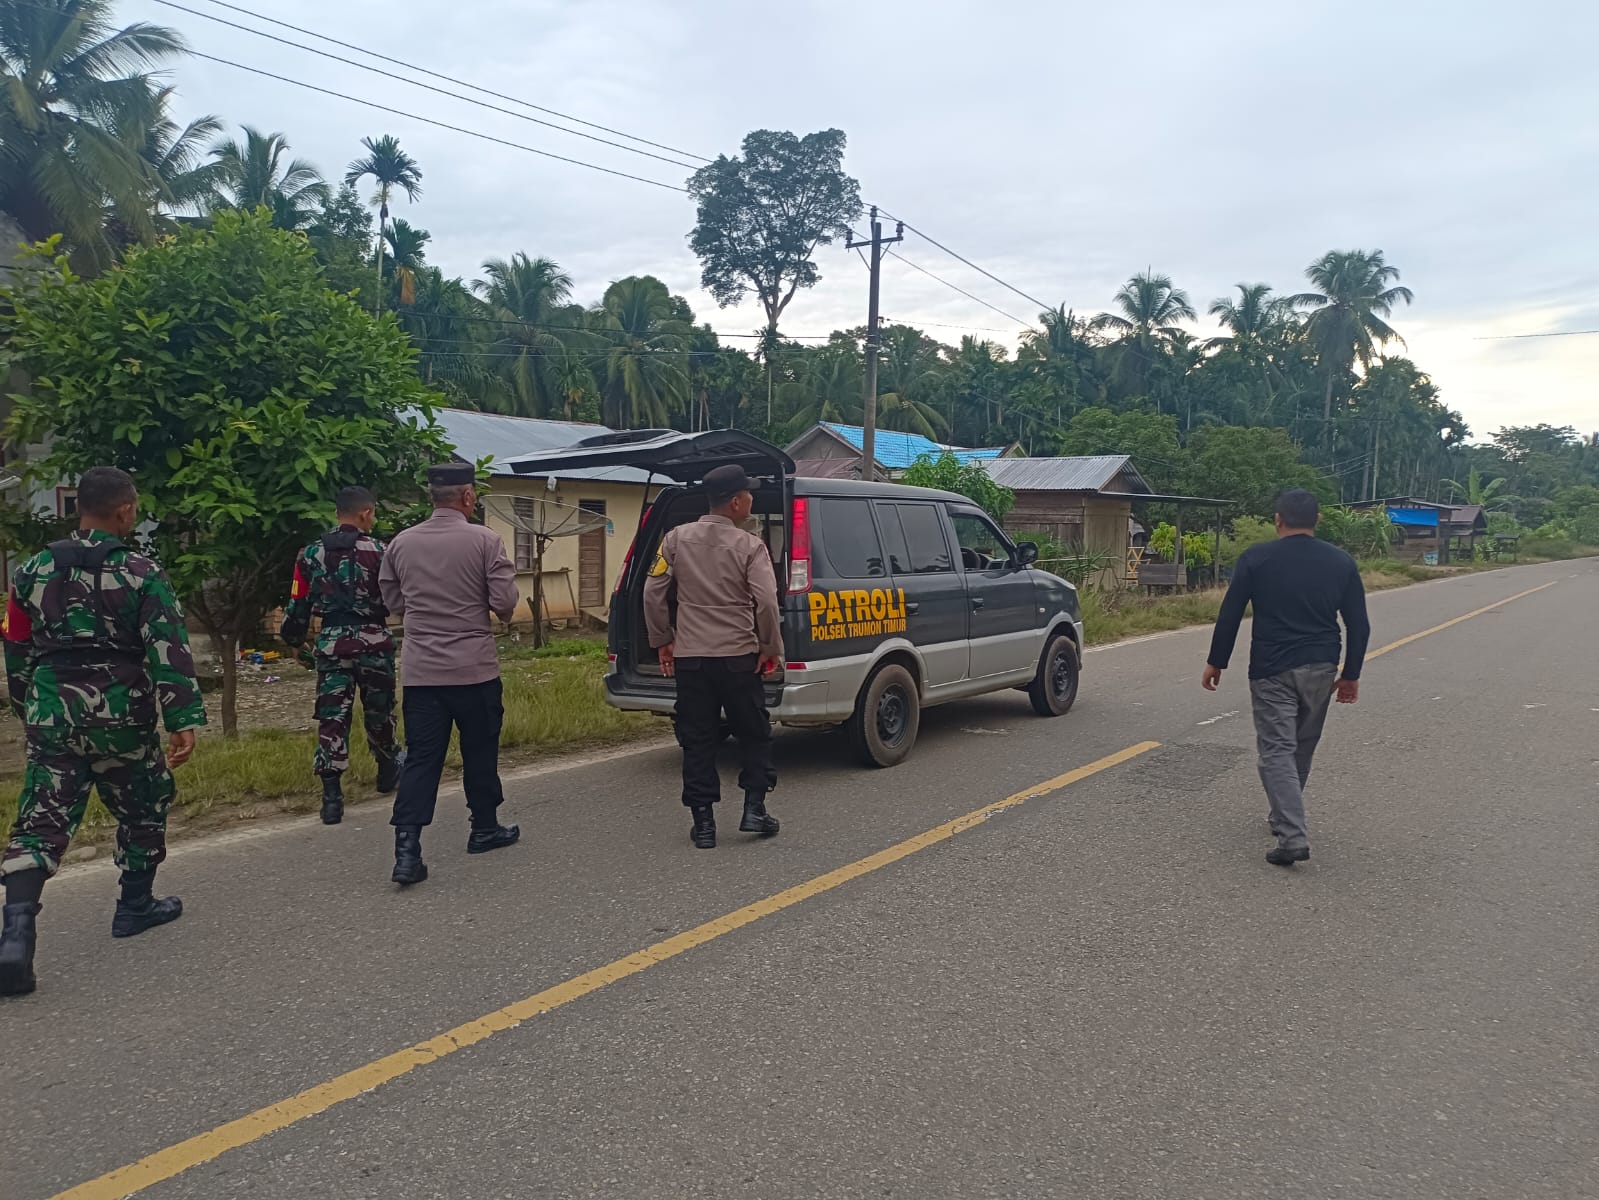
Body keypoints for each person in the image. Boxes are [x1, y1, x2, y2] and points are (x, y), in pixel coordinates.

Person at [0, 467, 204, 997]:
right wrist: (181, 719)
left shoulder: (32, 569)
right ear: (126, 511)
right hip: (121, 712)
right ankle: (134, 906)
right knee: (144, 802)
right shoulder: (142, 572)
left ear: (78, 508)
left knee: (40, 819)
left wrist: (27, 702)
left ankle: (15, 936)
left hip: (52, 711)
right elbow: (169, 650)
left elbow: (16, 643)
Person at [1202, 488, 1371, 867]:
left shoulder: (1256, 558)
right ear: (1319, 520)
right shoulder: (1341, 561)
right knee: (1301, 746)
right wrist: (1351, 675)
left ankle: (1292, 835)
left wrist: (1217, 661)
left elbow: (1230, 613)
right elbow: (1359, 624)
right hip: (1322, 665)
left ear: (1277, 520)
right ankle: (1283, 816)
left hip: (1271, 668)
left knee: (1276, 749)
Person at [379, 463, 521, 885]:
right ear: (468, 497)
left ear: (432, 497)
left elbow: (392, 600)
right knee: (480, 750)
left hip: (422, 672)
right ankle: (484, 828)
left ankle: (407, 852)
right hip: (473, 668)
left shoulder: (401, 543)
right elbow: (503, 600)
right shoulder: (485, 540)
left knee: (423, 759)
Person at [644, 463, 782, 850]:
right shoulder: (750, 546)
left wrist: (663, 639)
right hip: (739, 656)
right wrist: (769, 647)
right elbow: (767, 602)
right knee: (754, 733)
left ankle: (703, 824)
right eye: (749, 494)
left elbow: (652, 592)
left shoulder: (674, 539)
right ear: (736, 502)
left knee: (699, 738)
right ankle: (754, 808)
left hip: (692, 659)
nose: (752, 499)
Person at [280, 486, 403, 825]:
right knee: (379, 709)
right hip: (374, 641)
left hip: (333, 643)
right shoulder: (382, 551)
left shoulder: (309, 554)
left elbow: (298, 601)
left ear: (338, 512)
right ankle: (387, 769)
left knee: (333, 715)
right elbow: (396, 598)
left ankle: (332, 796)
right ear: (366, 514)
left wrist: (293, 638)